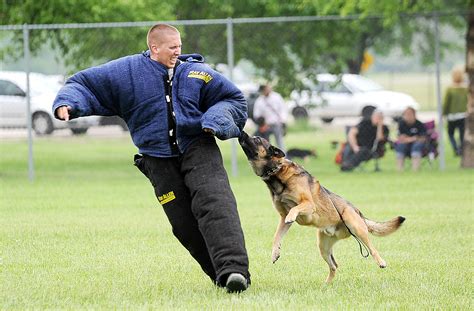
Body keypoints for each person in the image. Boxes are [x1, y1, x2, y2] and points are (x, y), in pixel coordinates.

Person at [52, 24, 250, 293]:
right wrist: (68, 103)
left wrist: (215, 120)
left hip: (198, 146)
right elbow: (84, 83)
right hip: (157, 158)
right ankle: (221, 276)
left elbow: (233, 99)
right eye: (172, 47)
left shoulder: (197, 73)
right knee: (183, 224)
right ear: (154, 48)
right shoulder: (127, 72)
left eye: (180, 46)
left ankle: (234, 271)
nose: (178, 52)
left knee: (216, 205)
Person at [252, 84, 287, 150]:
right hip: (265, 125)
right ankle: (269, 158)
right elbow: (256, 114)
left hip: (276, 123)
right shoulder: (259, 101)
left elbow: (283, 109)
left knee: (279, 142)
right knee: (266, 143)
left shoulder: (277, 97)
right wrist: (261, 123)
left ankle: (283, 158)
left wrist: (283, 121)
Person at [443, 66, 468, 156]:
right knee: (462, 134)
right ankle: (461, 149)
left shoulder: (450, 89)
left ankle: (455, 148)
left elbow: (446, 103)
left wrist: (444, 113)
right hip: (463, 115)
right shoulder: (465, 89)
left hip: (452, 116)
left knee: (450, 133)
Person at [395, 107, 426, 171]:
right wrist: (413, 138)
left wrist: (408, 139)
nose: (408, 116)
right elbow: (400, 138)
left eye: (409, 114)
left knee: (416, 146)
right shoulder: (402, 124)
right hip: (406, 145)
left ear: (414, 115)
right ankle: (399, 170)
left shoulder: (419, 124)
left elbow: (422, 138)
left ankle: (415, 169)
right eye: (406, 114)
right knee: (400, 146)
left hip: (417, 146)